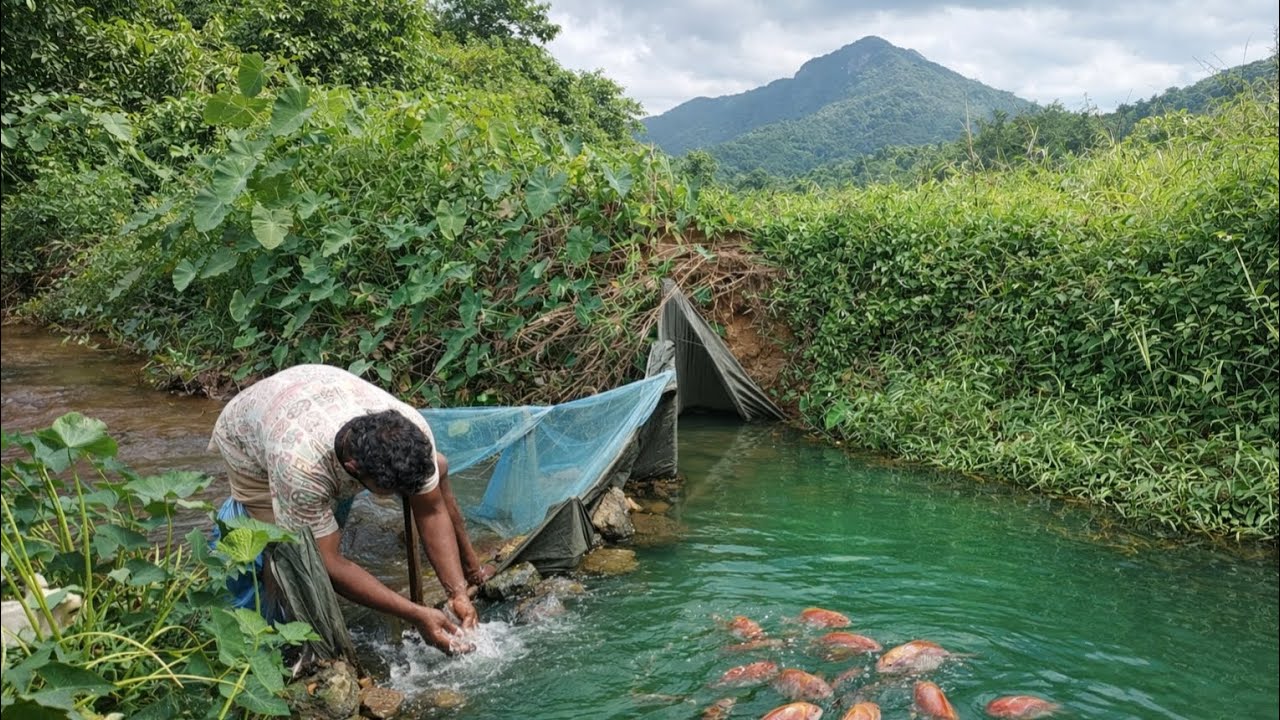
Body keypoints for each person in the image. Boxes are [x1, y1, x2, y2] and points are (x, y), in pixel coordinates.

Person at [208, 363, 495, 655]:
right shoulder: (299, 468)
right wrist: (415, 614)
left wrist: (457, 592)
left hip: (320, 390)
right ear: (353, 468)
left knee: (326, 514)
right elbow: (327, 563)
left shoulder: (411, 428)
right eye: (393, 491)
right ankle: (251, 639)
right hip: (249, 434)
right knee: (282, 552)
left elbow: (431, 510)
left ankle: (323, 521)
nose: (401, 496)